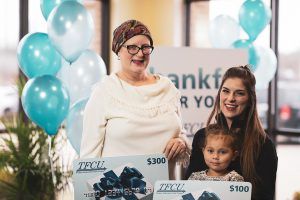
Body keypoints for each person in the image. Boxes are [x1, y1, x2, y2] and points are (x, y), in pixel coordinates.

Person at [80, 19, 190, 179]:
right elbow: (89, 157)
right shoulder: (104, 91)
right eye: (132, 47)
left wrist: (181, 142)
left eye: (145, 47)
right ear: (118, 50)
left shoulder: (168, 88)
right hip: (117, 194)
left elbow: (181, 133)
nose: (140, 53)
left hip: (164, 192)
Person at [186, 65, 278, 199]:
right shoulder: (202, 136)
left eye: (239, 93)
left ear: (250, 99)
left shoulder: (263, 144)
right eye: (226, 91)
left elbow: (265, 196)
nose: (230, 98)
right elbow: (188, 187)